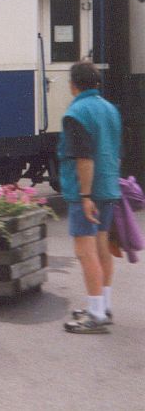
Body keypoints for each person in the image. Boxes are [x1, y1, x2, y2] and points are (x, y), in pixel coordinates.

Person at [58, 60, 122, 334]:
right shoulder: (110, 109)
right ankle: (102, 305)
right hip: (108, 187)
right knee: (102, 246)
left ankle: (95, 315)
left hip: (88, 192)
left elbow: (84, 158)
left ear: (73, 85)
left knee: (85, 251)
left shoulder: (76, 113)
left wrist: (85, 196)